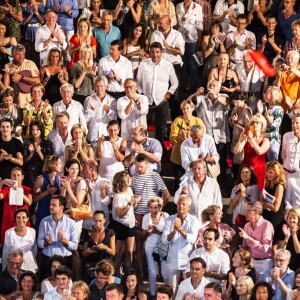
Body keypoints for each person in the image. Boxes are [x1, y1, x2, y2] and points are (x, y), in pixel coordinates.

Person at [131, 154, 170, 277]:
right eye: (137, 167)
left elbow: (166, 195)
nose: (139, 169)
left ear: (146, 164)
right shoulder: (133, 177)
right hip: (138, 215)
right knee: (139, 245)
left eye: (141, 167)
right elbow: (130, 196)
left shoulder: (155, 176)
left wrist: (158, 210)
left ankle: (157, 271)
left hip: (152, 215)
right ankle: (142, 272)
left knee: (157, 242)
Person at [136, 41, 178, 143]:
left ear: (161, 52)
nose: (155, 54)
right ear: (149, 52)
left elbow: (175, 83)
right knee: (143, 127)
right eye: (153, 52)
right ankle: (144, 148)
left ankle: (159, 153)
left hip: (162, 101)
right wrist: (141, 94)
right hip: (146, 101)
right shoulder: (143, 64)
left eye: (157, 52)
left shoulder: (168, 65)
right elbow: (138, 81)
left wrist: (169, 93)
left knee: (161, 128)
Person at [162, 194, 201, 291]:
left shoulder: (194, 220)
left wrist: (180, 229)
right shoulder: (170, 219)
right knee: (172, 289)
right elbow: (164, 240)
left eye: (184, 204)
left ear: (189, 207)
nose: (181, 206)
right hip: (173, 260)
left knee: (190, 289)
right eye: (179, 204)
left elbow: (192, 239)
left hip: (188, 260)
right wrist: (174, 231)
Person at [37, 196, 78, 280]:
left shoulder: (71, 223)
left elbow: (75, 246)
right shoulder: (44, 221)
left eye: (53, 205)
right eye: (50, 204)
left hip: (65, 260)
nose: (50, 207)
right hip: (47, 260)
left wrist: (63, 240)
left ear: (61, 207)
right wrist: (46, 242)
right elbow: (39, 243)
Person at [169, 99, 205, 188]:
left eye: (188, 108)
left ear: (192, 109)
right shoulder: (177, 121)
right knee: (180, 183)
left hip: (194, 157)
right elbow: (172, 138)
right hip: (178, 157)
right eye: (184, 109)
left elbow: (203, 136)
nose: (186, 111)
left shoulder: (198, 121)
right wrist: (180, 136)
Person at [174, 159, 222, 225]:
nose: (196, 171)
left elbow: (218, 203)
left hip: (207, 223)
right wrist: (182, 193)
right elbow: (176, 200)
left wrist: (216, 220)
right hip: (190, 223)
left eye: (199, 168)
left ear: (205, 169)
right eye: (194, 169)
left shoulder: (213, 183)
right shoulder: (186, 182)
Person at [110, 171, 137, 277]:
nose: (130, 180)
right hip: (120, 226)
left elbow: (132, 207)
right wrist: (130, 203)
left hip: (130, 225)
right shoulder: (118, 196)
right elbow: (120, 214)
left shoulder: (129, 190)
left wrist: (135, 202)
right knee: (119, 253)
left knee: (129, 252)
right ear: (124, 182)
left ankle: (128, 275)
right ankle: (116, 275)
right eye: (128, 179)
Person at [234, 114, 270, 191]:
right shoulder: (248, 137)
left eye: (257, 122)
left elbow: (260, 151)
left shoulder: (265, 139)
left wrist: (251, 140)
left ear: (262, 125)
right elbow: (236, 151)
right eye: (253, 122)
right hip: (246, 169)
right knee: (244, 192)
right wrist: (240, 140)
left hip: (259, 170)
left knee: (257, 194)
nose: (255, 124)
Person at [239, 201, 274, 281]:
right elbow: (245, 246)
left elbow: (265, 248)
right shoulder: (246, 225)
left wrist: (248, 238)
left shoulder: (267, 225)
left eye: (248, 211)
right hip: (251, 262)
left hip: (264, 263)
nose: (245, 213)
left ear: (256, 212)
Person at [142, 197, 169, 298]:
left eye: (155, 207)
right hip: (150, 245)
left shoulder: (166, 216)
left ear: (160, 207)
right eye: (151, 207)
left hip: (163, 246)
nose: (153, 210)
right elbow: (143, 235)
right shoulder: (146, 217)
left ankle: (167, 294)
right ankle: (153, 295)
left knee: (164, 272)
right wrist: (147, 232)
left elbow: (168, 234)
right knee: (152, 272)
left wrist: (155, 231)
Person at [176, 0, 203, 91]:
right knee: (182, 63)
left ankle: (193, 85)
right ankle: (182, 84)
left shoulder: (198, 7)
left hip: (192, 40)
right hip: (180, 39)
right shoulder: (178, 6)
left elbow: (199, 27)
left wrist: (199, 43)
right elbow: (177, 25)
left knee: (192, 63)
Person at [0, 167, 32, 244]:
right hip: (8, 222)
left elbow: (29, 202)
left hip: (22, 222)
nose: (16, 177)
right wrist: (1, 184)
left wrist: (18, 189)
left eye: (18, 175)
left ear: (22, 177)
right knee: (7, 247)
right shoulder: (6, 189)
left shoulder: (27, 189)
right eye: (14, 175)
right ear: (11, 177)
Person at [84, 76, 117, 148]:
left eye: (101, 86)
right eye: (97, 86)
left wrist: (109, 111)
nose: (99, 88)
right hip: (92, 136)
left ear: (106, 87)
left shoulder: (112, 100)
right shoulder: (89, 99)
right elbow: (85, 120)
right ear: (94, 87)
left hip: (106, 136)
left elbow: (115, 119)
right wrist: (91, 110)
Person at [3, 44, 40, 108]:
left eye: (23, 54)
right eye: (18, 54)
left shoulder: (30, 63)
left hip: (29, 102)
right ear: (12, 54)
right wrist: (7, 73)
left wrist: (21, 78)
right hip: (15, 103)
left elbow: (37, 80)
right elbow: (6, 87)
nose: (21, 56)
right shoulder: (7, 66)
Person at [82, 211, 115, 281]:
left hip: (106, 263)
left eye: (100, 221)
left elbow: (113, 252)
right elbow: (83, 253)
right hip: (92, 264)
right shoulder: (88, 233)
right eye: (96, 221)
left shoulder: (110, 233)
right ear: (93, 220)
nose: (98, 223)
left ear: (104, 220)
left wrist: (105, 247)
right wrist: (88, 251)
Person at [60, 159, 88, 239]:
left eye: (77, 169)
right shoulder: (64, 180)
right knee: (63, 240)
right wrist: (64, 188)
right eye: (72, 169)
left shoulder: (81, 182)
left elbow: (77, 203)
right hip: (64, 215)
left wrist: (68, 188)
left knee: (73, 243)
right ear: (67, 169)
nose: (75, 171)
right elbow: (61, 200)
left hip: (76, 217)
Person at [2, 209, 37, 273]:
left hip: (29, 263)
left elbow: (34, 249)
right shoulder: (9, 233)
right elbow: (5, 252)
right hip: (14, 263)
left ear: (27, 219)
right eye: (18, 217)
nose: (21, 220)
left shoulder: (32, 231)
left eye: (23, 217)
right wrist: (4, 270)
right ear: (15, 219)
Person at [33, 155, 62, 230]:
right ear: (53, 164)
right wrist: (47, 192)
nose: (61, 165)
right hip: (42, 212)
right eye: (59, 163)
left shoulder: (58, 179)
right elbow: (33, 199)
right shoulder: (40, 179)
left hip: (54, 214)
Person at [229, 165, 260, 229]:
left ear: (251, 174)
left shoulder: (254, 188)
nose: (244, 174)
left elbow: (252, 207)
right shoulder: (235, 188)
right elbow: (231, 207)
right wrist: (239, 192)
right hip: (236, 221)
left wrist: (243, 194)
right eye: (242, 172)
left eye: (247, 172)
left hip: (248, 222)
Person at [229, 90, 252, 175]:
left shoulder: (247, 111)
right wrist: (232, 122)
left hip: (243, 142)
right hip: (235, 140)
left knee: (240, 166)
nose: (235, 104)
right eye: (234, 102)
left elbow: (250, 129)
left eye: (237, 102)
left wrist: (236, 123)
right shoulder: (235, 109)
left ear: (243, 100)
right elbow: (233, 125)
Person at [257, 86, 284, 161]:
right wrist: (259, 112)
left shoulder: (279, 109)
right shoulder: (263, 106)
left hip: (272, 141)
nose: (264, 93)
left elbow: (275, 126)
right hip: (261, 140)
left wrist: (268, 119)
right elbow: (256, 122)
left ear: (274, 95)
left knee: (272, 165)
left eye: (268, 92)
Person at [96, 120, 126, 184]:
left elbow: (120, 159)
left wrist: (114, 146)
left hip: (118, 176)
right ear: (107, 129)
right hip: (103, 175)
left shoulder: (122, 141)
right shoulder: (102, 140)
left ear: (118, 130)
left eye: (115, 130)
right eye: (111, 130)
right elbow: (98, 156)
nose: (113, 133)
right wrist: (99, 144)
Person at [83, 160, 111, 228]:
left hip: (102, 220)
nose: (83, 170)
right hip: (89, 220)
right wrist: (89, 190)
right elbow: (83, 202)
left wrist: (102, 190)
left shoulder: (105, 182)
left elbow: (107, 202)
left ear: (92, 169)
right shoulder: (83, 182)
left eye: (85, 168)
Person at [262, 161, 286, 235]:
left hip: (275, 219)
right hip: (266, 215)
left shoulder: (279, 186)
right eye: (267, 171)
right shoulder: (268, 183)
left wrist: (263, 204)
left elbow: (276, 208)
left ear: (277, 173)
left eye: (271, 172)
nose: (268, 174)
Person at [274, 50, 300, 117]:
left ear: (297, 60)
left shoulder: (298, 70)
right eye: (288, 58)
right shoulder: (284, 72)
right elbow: (276, 87)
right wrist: (278, 77)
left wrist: (291, 69)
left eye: (291, 58)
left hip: (296, 108)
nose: (289, 60)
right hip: (283, 108)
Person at [201, 20, 226, 87]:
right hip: (210, 60)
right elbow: (205, 55)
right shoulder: (206, 38)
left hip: (221, 60)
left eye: (216, 27)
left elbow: (224, 53)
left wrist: (221, 43)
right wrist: (212, 45)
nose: (214, 29)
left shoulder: (223, 37)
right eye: (212, 27)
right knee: (209, 65)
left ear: (220, 29)